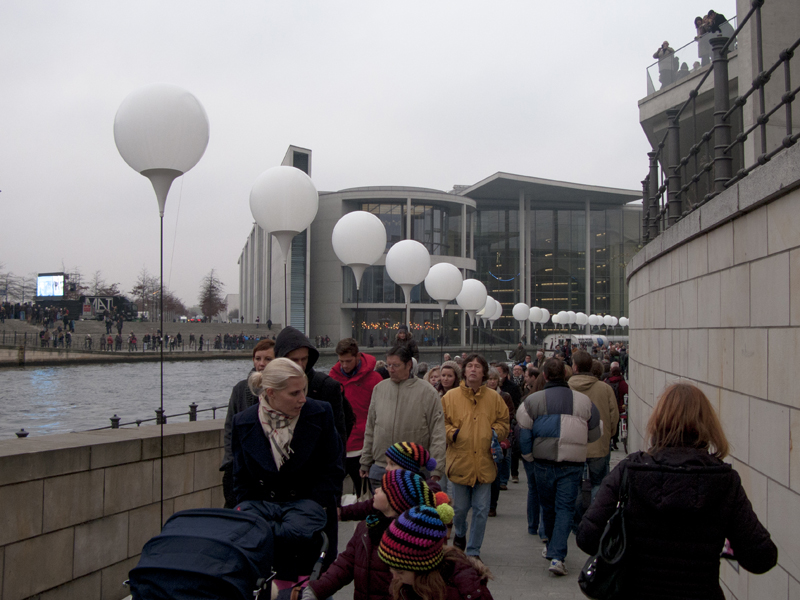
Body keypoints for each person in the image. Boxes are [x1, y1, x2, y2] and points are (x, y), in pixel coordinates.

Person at [577, 383, 778, 599]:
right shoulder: (724, 480)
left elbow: (587, 537)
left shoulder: (630, 471)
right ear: (707, 425)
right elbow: (761, 558)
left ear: (658, 422)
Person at [231, 357, 345, 568]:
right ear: (271, 392)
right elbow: (240, 479)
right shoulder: (243, 422)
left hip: (312, 528)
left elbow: (333, 470)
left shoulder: (321, 413)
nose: (302, 399)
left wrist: (309, 510)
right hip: (264, 529)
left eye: (304, 390)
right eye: (294, 393)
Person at [304, 470, 453, 600]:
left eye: (382, 489)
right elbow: (346, 563)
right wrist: (316, 590)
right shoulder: (366, 527)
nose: (375, 490)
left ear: (395, 502)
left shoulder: (412, 540)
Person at [516, 357, 600, 576]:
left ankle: (554, 549)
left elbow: (523, 432)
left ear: (544, 376)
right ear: (566, 375)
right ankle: (557, 555)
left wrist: (529, 457)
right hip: (572, 464)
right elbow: (595, 433)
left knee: (548, 507)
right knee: (565, 508)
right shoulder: (584, 402)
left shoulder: (532, 401)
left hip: (543, 462)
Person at [441, 353, 509, 560]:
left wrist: (494, 432)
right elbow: (440, 424)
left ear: (484, 372)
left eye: (477, 367)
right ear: (464, 371)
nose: (473, 369)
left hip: (485, 462)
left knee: (481, 509)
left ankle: (473, 550)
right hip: (460, 461)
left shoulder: (494, 398)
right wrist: (454, 433)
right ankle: (460, 533)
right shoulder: (450, 398)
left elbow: (504, 422)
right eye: (469, 366)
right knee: (460, 509)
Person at [360, 345, 446, 491]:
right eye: (389, 365)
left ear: (408, 365)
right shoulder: (379, 389)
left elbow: (437, 432)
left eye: (396, 365)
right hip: (381, 467)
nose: (391, 369)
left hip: (414, 469)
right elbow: (371, 428)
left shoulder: (427, 392)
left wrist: (436, 467)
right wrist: (365, 461)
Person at [378, 505, 494, 600]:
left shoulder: (464, 591)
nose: (394, 577)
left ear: (422, 566)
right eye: (390, 568)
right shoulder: (406, 585)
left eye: (400, 572)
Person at [220, 338, 275, 508]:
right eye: (258, 358)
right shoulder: (240, 389)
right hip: (240, 466)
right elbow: (230, 427)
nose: (261, 363)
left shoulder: (281, 390)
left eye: (268, 359)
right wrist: (230, 461)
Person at [275, 326, 350, 448]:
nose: (300, 365)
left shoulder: (327, 387)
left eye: (304, 359)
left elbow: (340, 436)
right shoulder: (265, 388)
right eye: (294, 360)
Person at [329, 338, 383, 498]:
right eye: (341, 361)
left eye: (348, 361)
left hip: (364, 447)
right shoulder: (332, 379)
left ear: (358, 356)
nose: (344, 365)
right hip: (341, 445)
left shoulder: (374, 380)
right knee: (333, 493)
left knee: (366, 494)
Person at [568, 350, 619, 504]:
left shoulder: (566, 387)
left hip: (573, 445)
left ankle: (577, 524)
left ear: (575, 367)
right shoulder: (605, 388)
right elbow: (614, 415)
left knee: (574, 485)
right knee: (599, 484)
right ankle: (595, 519)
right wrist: (608, 435)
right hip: (599, 443)